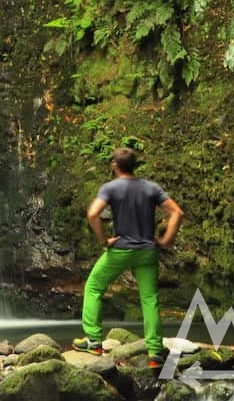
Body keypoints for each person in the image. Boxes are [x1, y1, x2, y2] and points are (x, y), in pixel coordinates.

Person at [73, 147, 185, 368]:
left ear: (115, 165)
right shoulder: (151, 188)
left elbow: (93, 213)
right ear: (135, 165)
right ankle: (154, 353)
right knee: (150, 299)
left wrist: (103, 240)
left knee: (94, 287)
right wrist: (165, 240)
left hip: (120, 250)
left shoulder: (111, 188)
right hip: (147, 251)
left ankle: (94, 340)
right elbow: (177, 213)